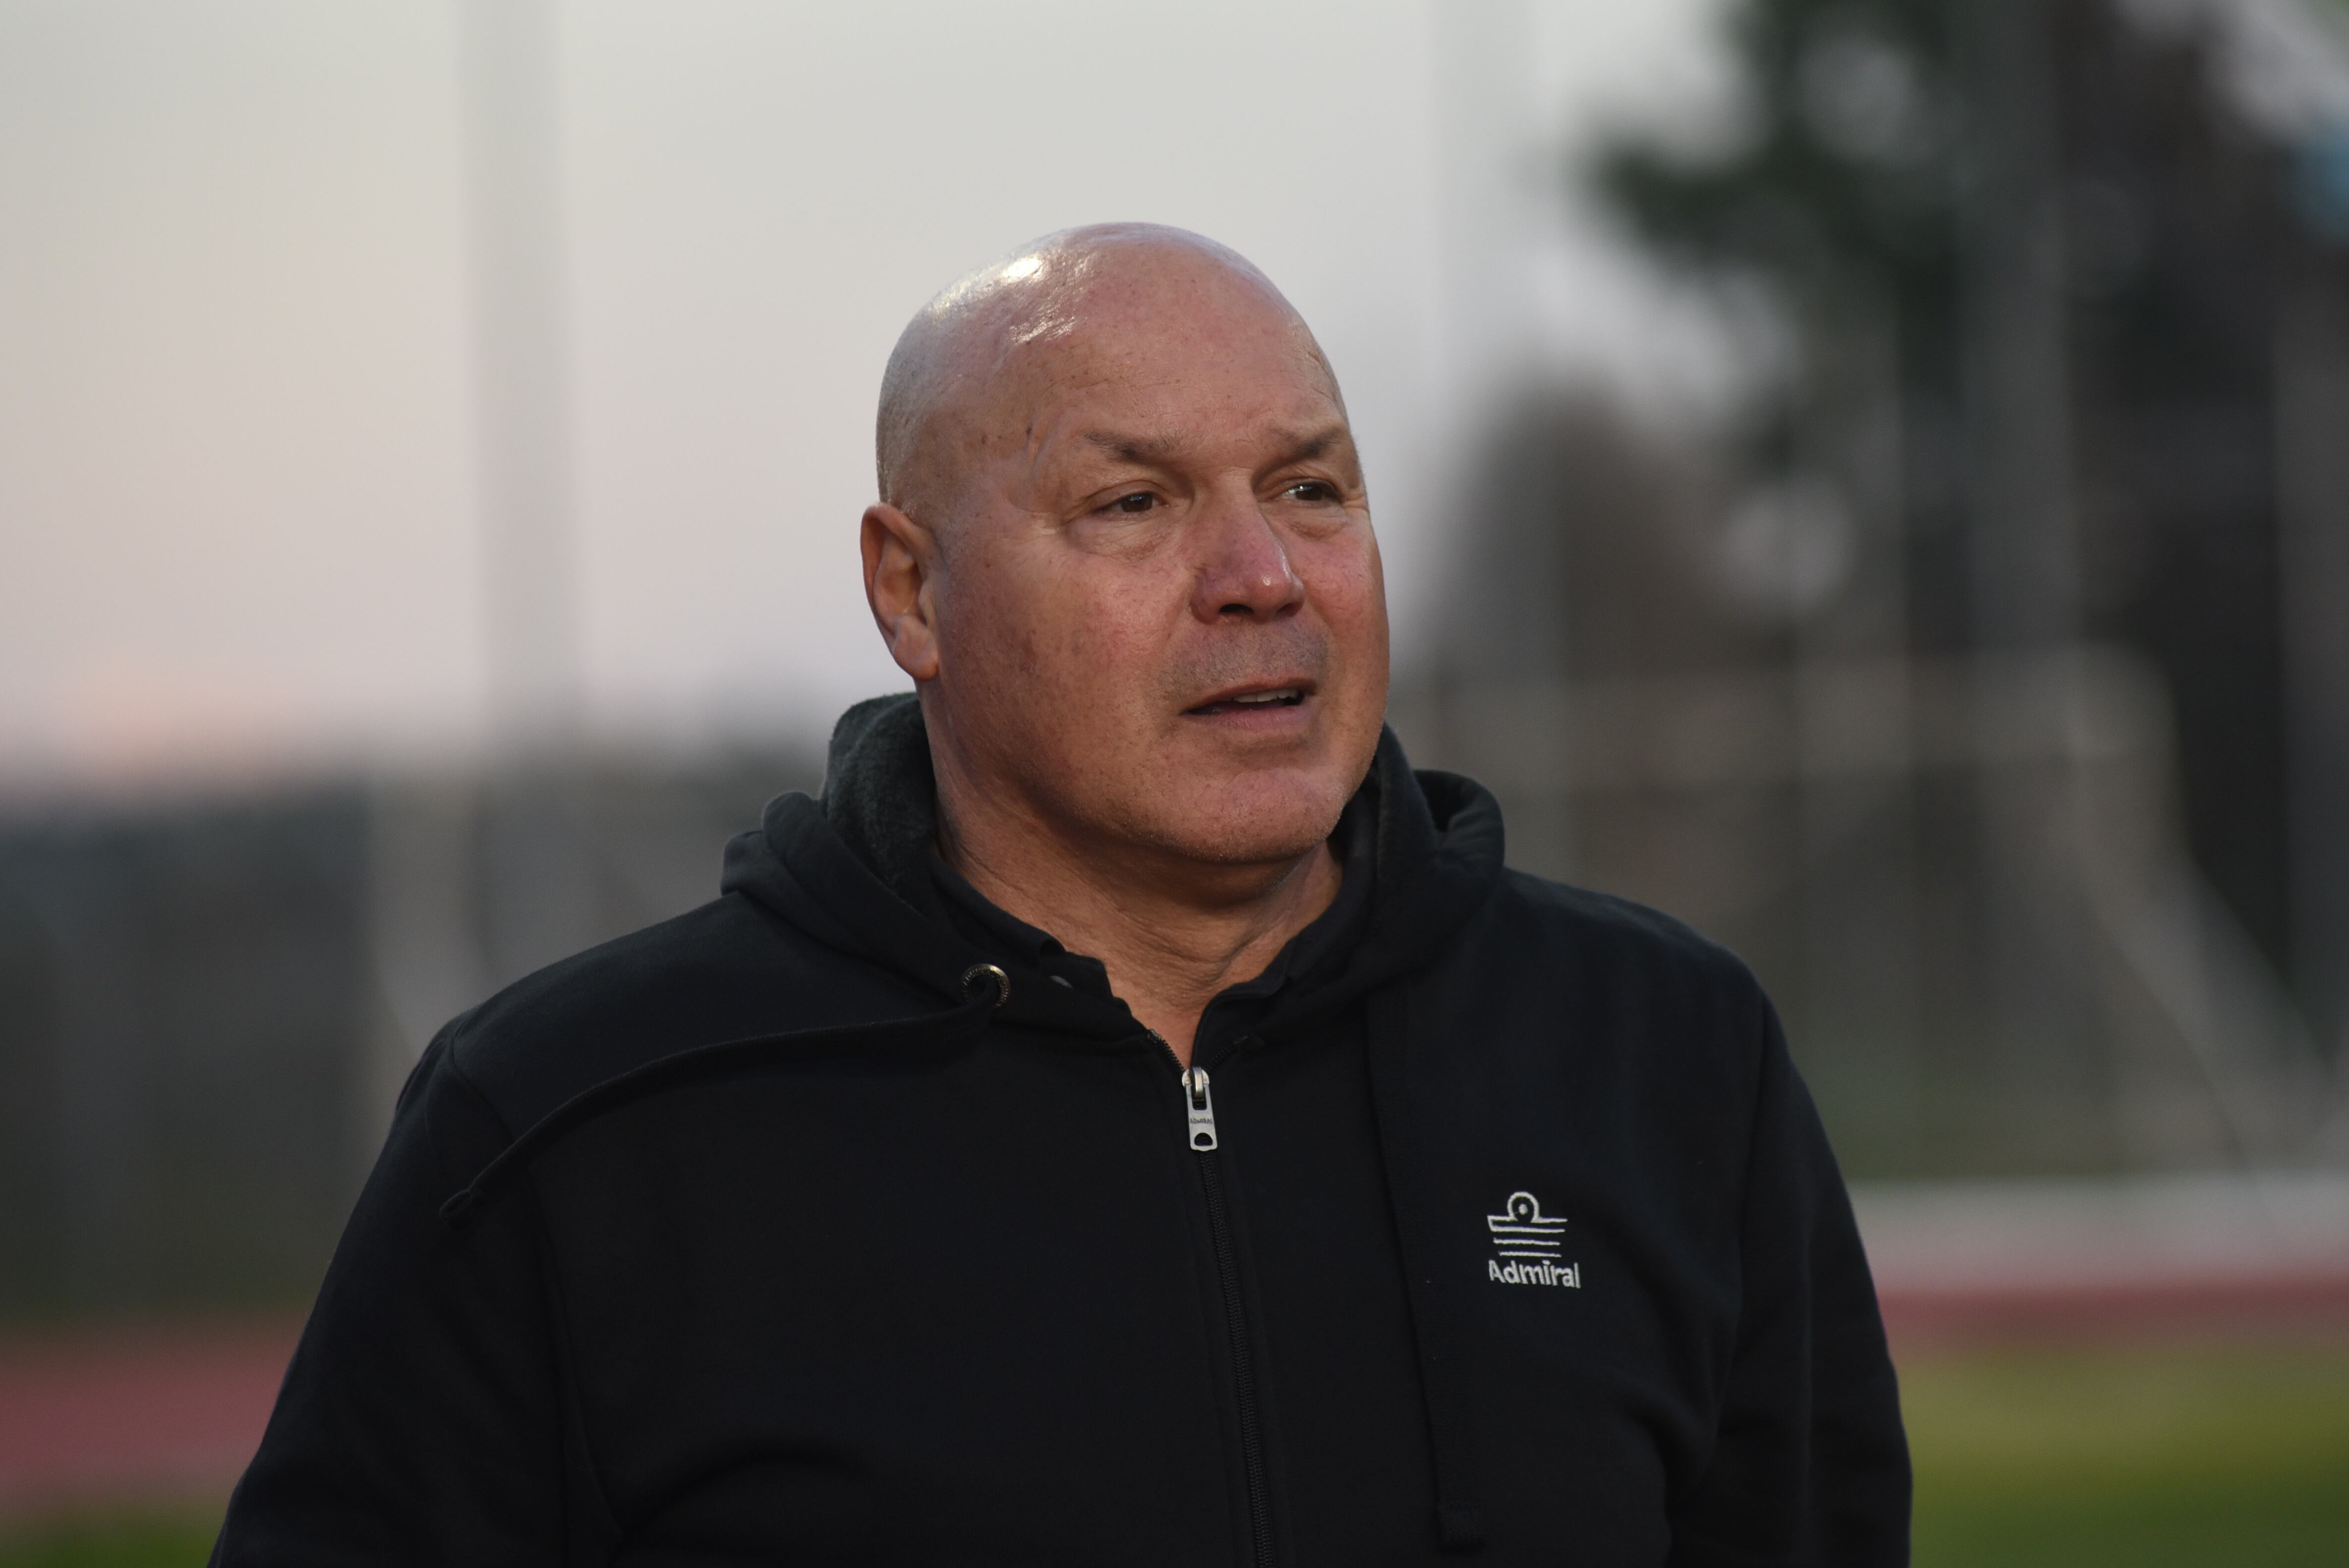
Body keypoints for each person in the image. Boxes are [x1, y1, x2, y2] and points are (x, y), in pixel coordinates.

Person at [213, 224, 1909, 1566]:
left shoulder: (1664, 1057)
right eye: (1132, 503)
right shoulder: (569, 1124)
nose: (1260, 576)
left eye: (1309, 487)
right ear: (910, 592)